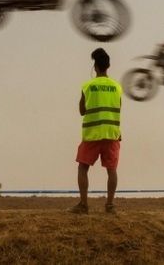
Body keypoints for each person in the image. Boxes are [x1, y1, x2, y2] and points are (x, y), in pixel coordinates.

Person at [70, 48, 123, 214]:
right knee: (112, 170)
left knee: (82, 168)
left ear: (95, 67)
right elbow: (119, 108)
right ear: (108, 66)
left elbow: (82, 111)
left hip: (92, 134)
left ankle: (83, 205)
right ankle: (110, 205)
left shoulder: (87, 86)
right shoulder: (117, 87)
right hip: (111, 133)